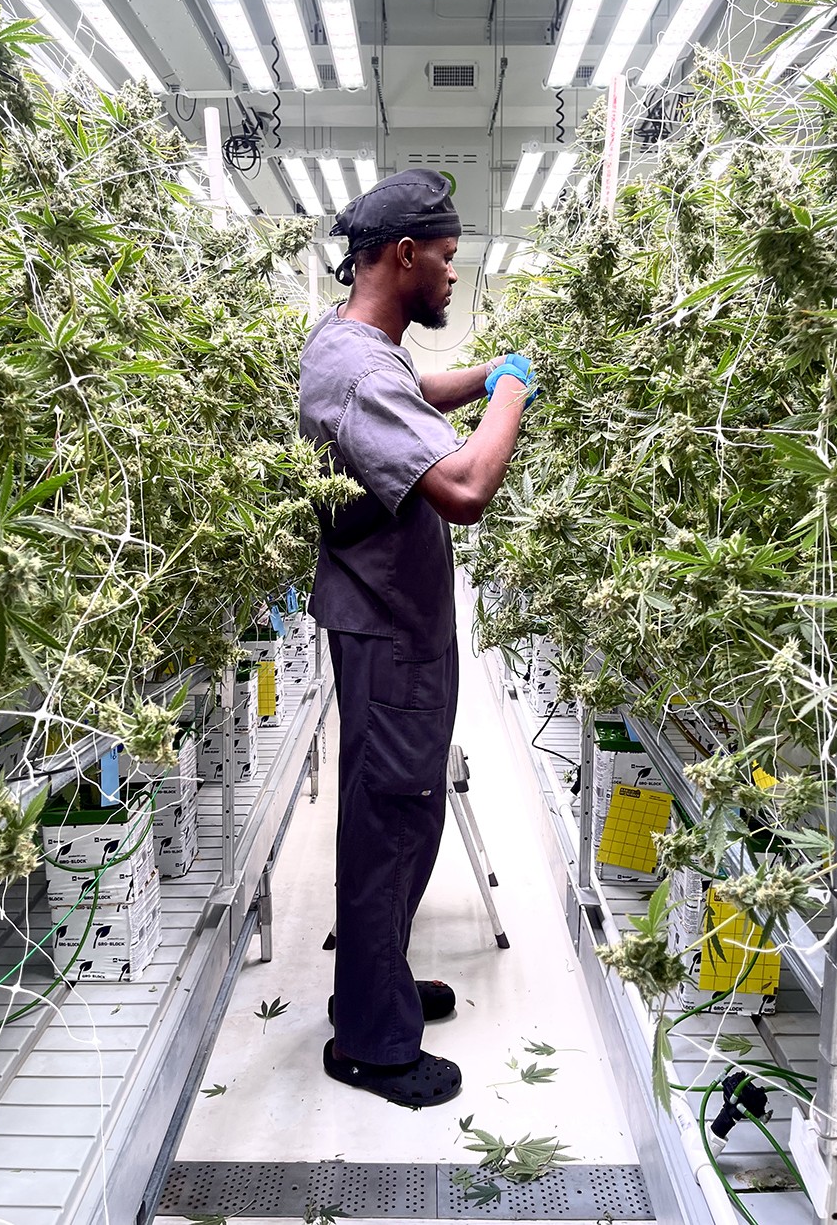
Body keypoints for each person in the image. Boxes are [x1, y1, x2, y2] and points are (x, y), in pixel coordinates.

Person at [298, 169, 538, 1108]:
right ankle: (371, 1041)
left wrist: (478, 373)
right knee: (391, 824)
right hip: (391, 632)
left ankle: (377, 985)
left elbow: (410, 389)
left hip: (393, 625)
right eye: (444, 258)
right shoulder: (358, 368)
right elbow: (467, 491)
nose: (451, 275)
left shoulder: (357, 342)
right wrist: (510, 392)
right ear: (402, 256)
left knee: (403, 814)